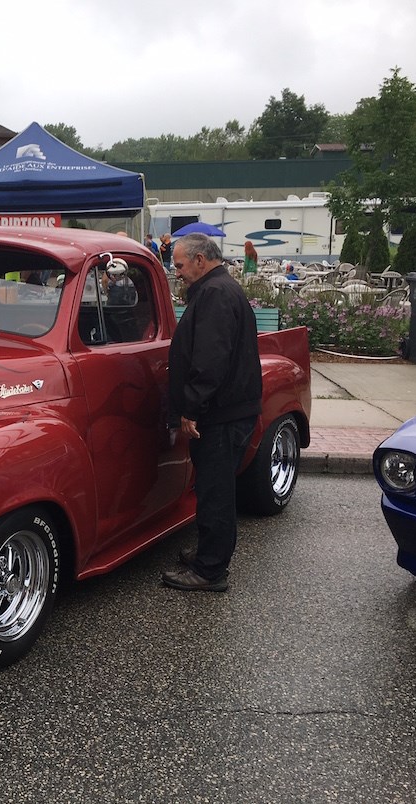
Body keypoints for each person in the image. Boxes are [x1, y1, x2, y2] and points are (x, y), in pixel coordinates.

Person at [163, 232, 262, 592]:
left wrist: (191, 407)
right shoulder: (219, 288)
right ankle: (209, 553)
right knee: (212, 488)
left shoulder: (216, 294)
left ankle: (210, 570)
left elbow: (210, 359)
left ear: (201, 260)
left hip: (222, 415)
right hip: (229, 410)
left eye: (180, 265)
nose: (178, 272)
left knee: (215, 492)